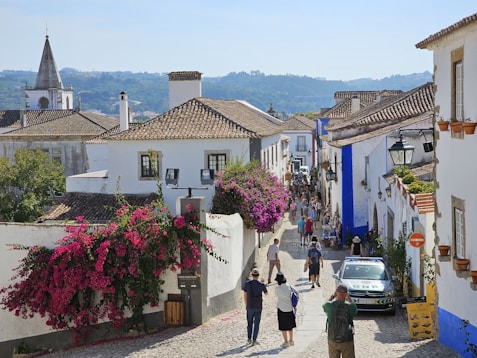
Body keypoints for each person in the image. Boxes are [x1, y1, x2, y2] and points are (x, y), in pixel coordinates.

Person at [323, 284, 358, 358]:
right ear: (346, 294)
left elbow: (324, 305)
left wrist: (333, 296)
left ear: (337, 293)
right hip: (347, 339)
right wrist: (348, 297)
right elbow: (355, 308)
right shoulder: (350, 307)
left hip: (333, 338)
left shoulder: (330, 305)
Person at [243, 268, 268, 345]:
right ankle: (254, 339)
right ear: (258, 275)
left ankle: (249, 338)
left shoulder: (247, 284)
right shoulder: (261, 284)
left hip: (250, 305)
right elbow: (266, 293)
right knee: (257, 323)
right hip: (258, 306)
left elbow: (245, 295)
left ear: (252, 275)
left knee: (249, 322)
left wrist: (246, 304)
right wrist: (263, 283)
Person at [274, 272, 297, 347]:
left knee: (283, 326)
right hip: (289, 308)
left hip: (281, 308)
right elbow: (296, 293)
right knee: (290, 326)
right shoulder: (289, 287)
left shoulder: (277, 289)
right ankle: (291, 340)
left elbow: (277, 295)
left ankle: (286, 341)